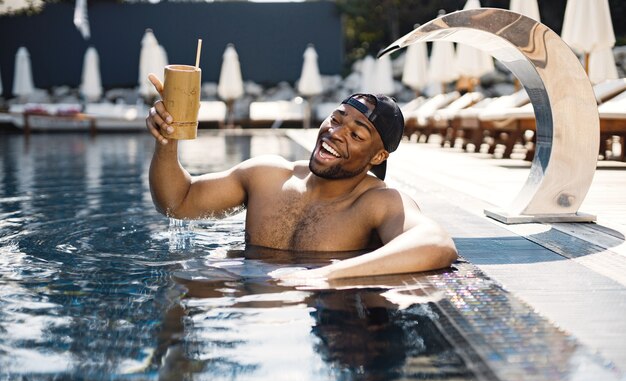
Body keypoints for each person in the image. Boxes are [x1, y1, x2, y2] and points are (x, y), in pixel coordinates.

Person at [145, 74, 457, 281]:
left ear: (378, 157)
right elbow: (177, 202)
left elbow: (436, 245)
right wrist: (167, 141)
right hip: (250, 313)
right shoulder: (267, 175)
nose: (335, 134)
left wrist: (326, 276)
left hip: (328, 319)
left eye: (356, 134)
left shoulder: (376, 203)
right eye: (335, 119)